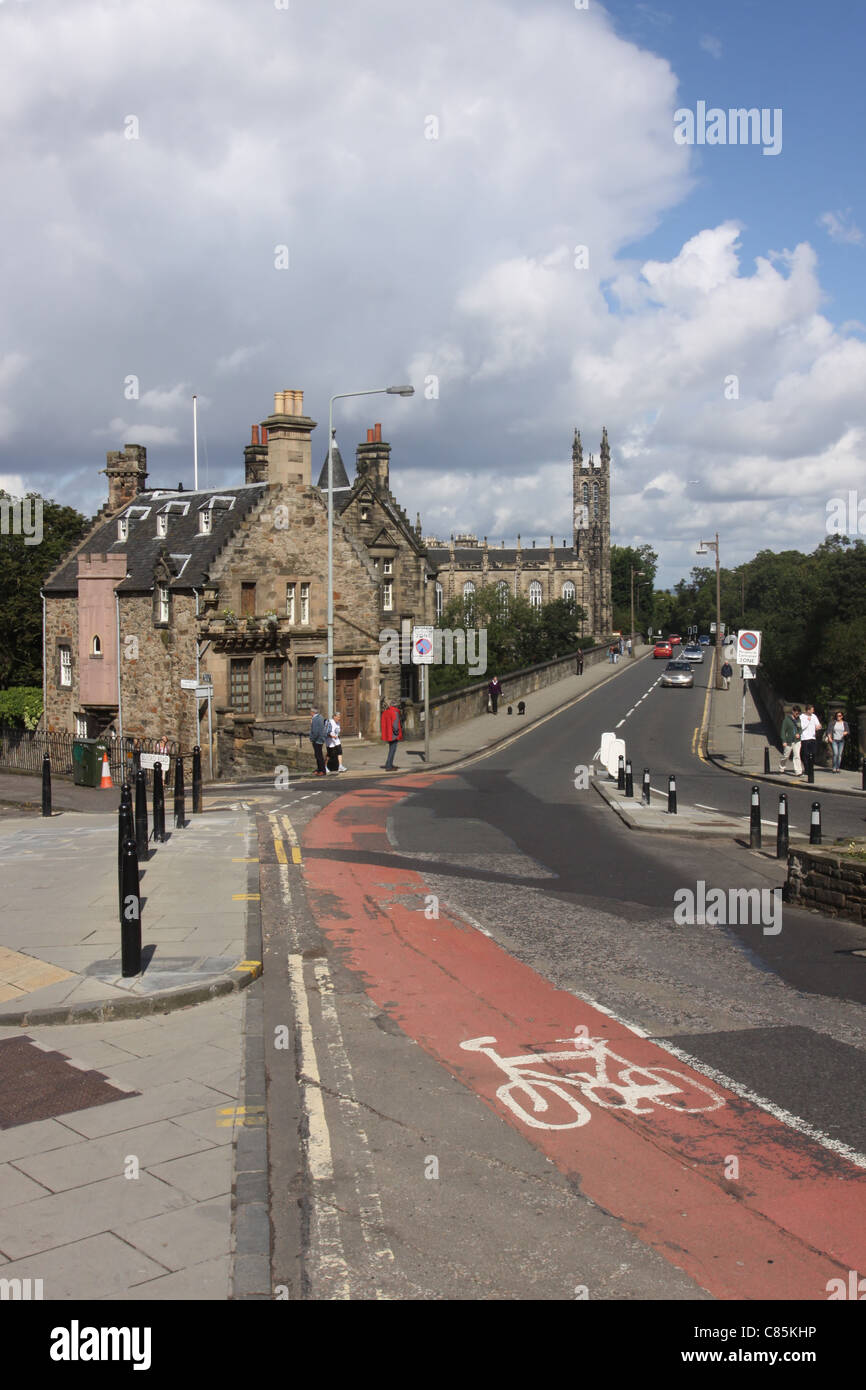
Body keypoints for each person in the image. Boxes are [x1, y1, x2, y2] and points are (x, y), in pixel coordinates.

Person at [799, 704, 822, 779]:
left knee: (813, 753)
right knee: (805, 754)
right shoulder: (802, 717)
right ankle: (806, 769)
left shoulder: (814, 716)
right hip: (805, 738)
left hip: (812, 738)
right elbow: (801, 727)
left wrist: (818, 727)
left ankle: (811, 768)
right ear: (808, 710)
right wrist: (807, 721)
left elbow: (818, 724)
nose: (813, 711)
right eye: (812, 709)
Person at [779, 706, 803, 775]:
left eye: (798, 713)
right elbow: (783, 730)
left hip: (797, 740)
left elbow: (800, 729)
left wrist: (799, 733)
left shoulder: (798, 719)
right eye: (796, 713)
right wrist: (784, 740)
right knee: (786, 756)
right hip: (788, 741)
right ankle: (781, 768)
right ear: (793, 711)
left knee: (797, 756)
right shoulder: (787, 720)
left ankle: (798, 771)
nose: (797, 715)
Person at [380, 699, 403, 770]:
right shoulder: (395, 712)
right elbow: (395, 725)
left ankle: (389, 764)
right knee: (392, 750)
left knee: (391, 749)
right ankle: (389, 766)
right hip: (393, 734)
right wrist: (397, 732)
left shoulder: (386, 712)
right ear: (396, 706)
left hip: (388, 734)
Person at [309, 706, 327, 776]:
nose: (310, 713)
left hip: (317, 740)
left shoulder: (315, 719)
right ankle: (319, 769)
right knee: (318, 755)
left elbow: (315, 731)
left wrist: (312, 739)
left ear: (313, 712)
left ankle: (322, 770)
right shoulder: (320, 717)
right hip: (320, 739)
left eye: (310, 711)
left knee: (319, 756)